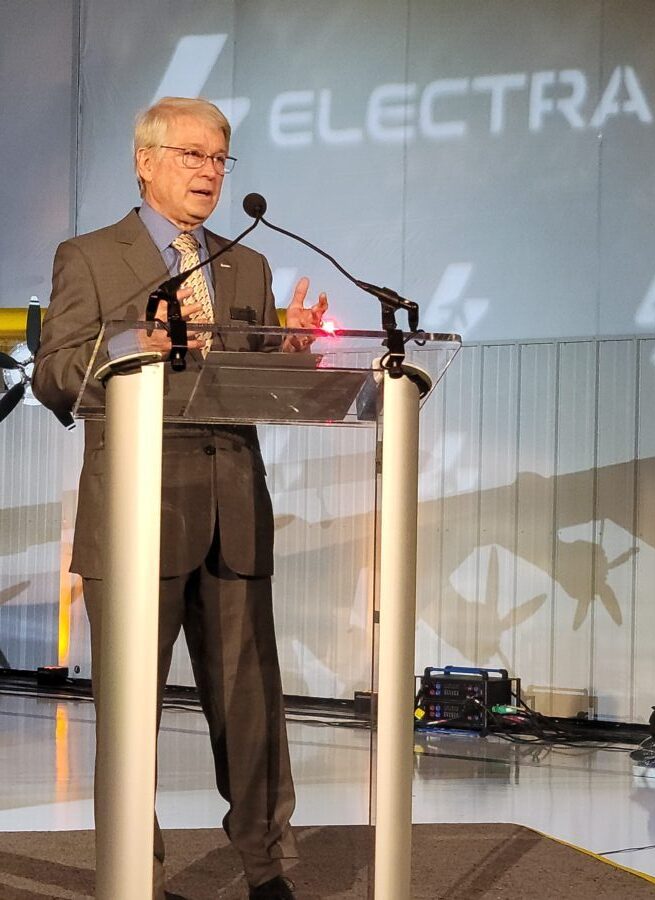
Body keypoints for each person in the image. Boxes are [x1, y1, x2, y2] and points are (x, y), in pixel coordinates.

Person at [32, 96, 328, 900]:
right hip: (135, 516)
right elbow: (55, 374)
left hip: (234, 516)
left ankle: (267, 870)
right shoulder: (90, 256)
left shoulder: (245, 265)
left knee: (251, 709)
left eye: (219, 159)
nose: (209, 172)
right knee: (132, 715)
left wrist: (290, 350)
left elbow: (252, 383)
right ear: (146, 161)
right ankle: (136, 875)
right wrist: (130, 346)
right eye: (192, 155)